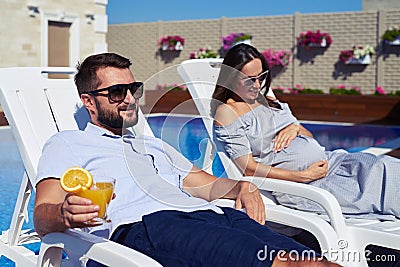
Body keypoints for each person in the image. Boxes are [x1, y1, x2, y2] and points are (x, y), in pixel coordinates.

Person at [33, 52, 339, 267]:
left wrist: (241, 188)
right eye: (115, 92)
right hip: (152, 226)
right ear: (88, 101)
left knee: (316, 262)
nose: (129, 98)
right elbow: (42, 216)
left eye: (133, 89)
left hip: (216, 216)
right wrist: (63, 214)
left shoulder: (152, 145)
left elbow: (203, 184)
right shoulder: (67, 143)